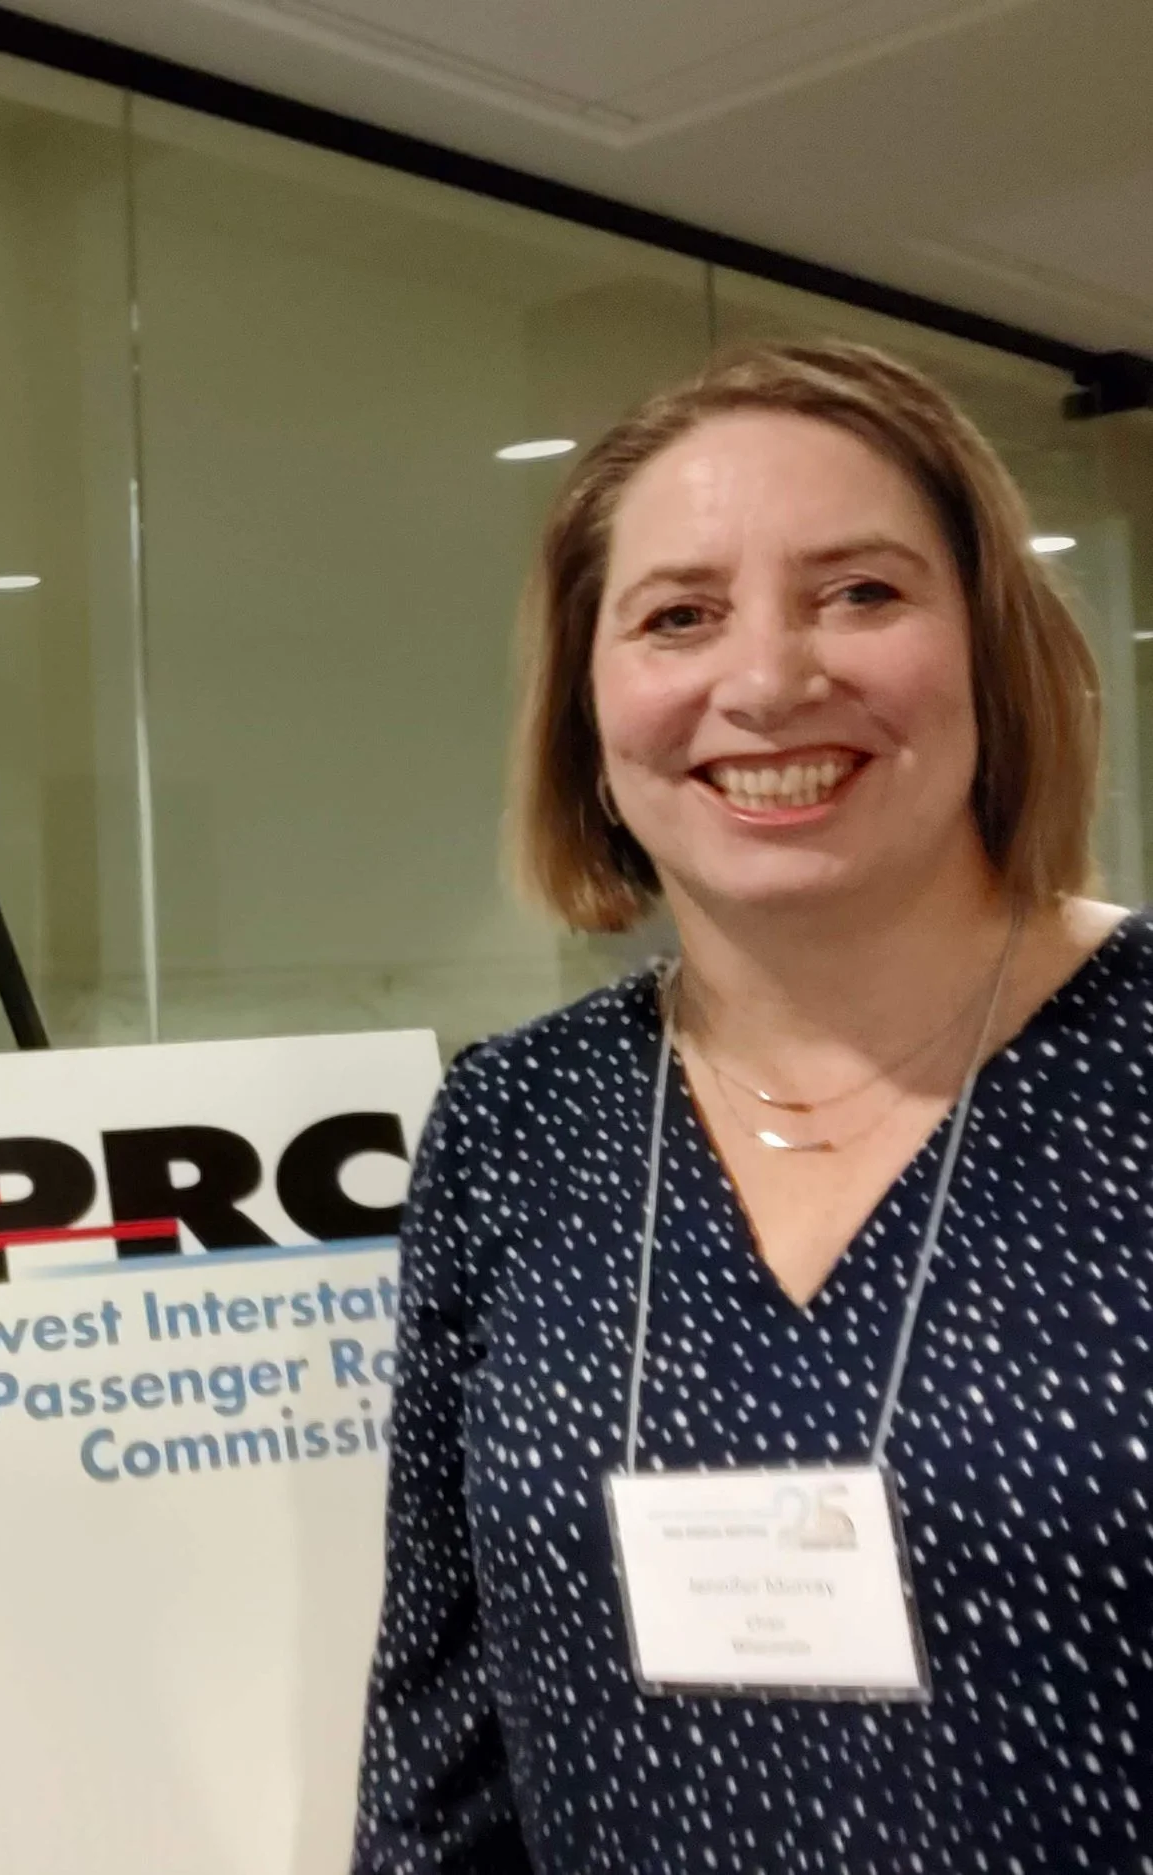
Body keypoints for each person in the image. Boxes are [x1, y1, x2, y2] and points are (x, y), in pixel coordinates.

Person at [353, 342, 1150, 1871]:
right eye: (680, 615)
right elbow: (442, 1737)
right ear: (591, 704)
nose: (772, 677)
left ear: (991, 643)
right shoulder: (516, 1122)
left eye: (861, 591)